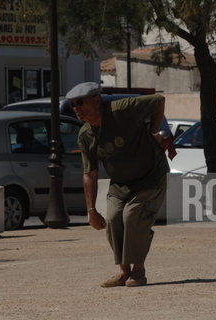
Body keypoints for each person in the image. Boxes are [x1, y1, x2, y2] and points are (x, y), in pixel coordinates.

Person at [67, 82, 169, 287]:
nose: (76, 108)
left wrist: (153, 131)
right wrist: (91, 210)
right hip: (120, 184)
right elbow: (90, 173)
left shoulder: (122, 109)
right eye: (72, 105)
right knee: (113, 219)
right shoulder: (85, 135)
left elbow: (159, 100)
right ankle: (124, 272)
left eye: (80, 102)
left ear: (96, 100)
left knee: (133, 216)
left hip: (150, 176)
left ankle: (138, 271)